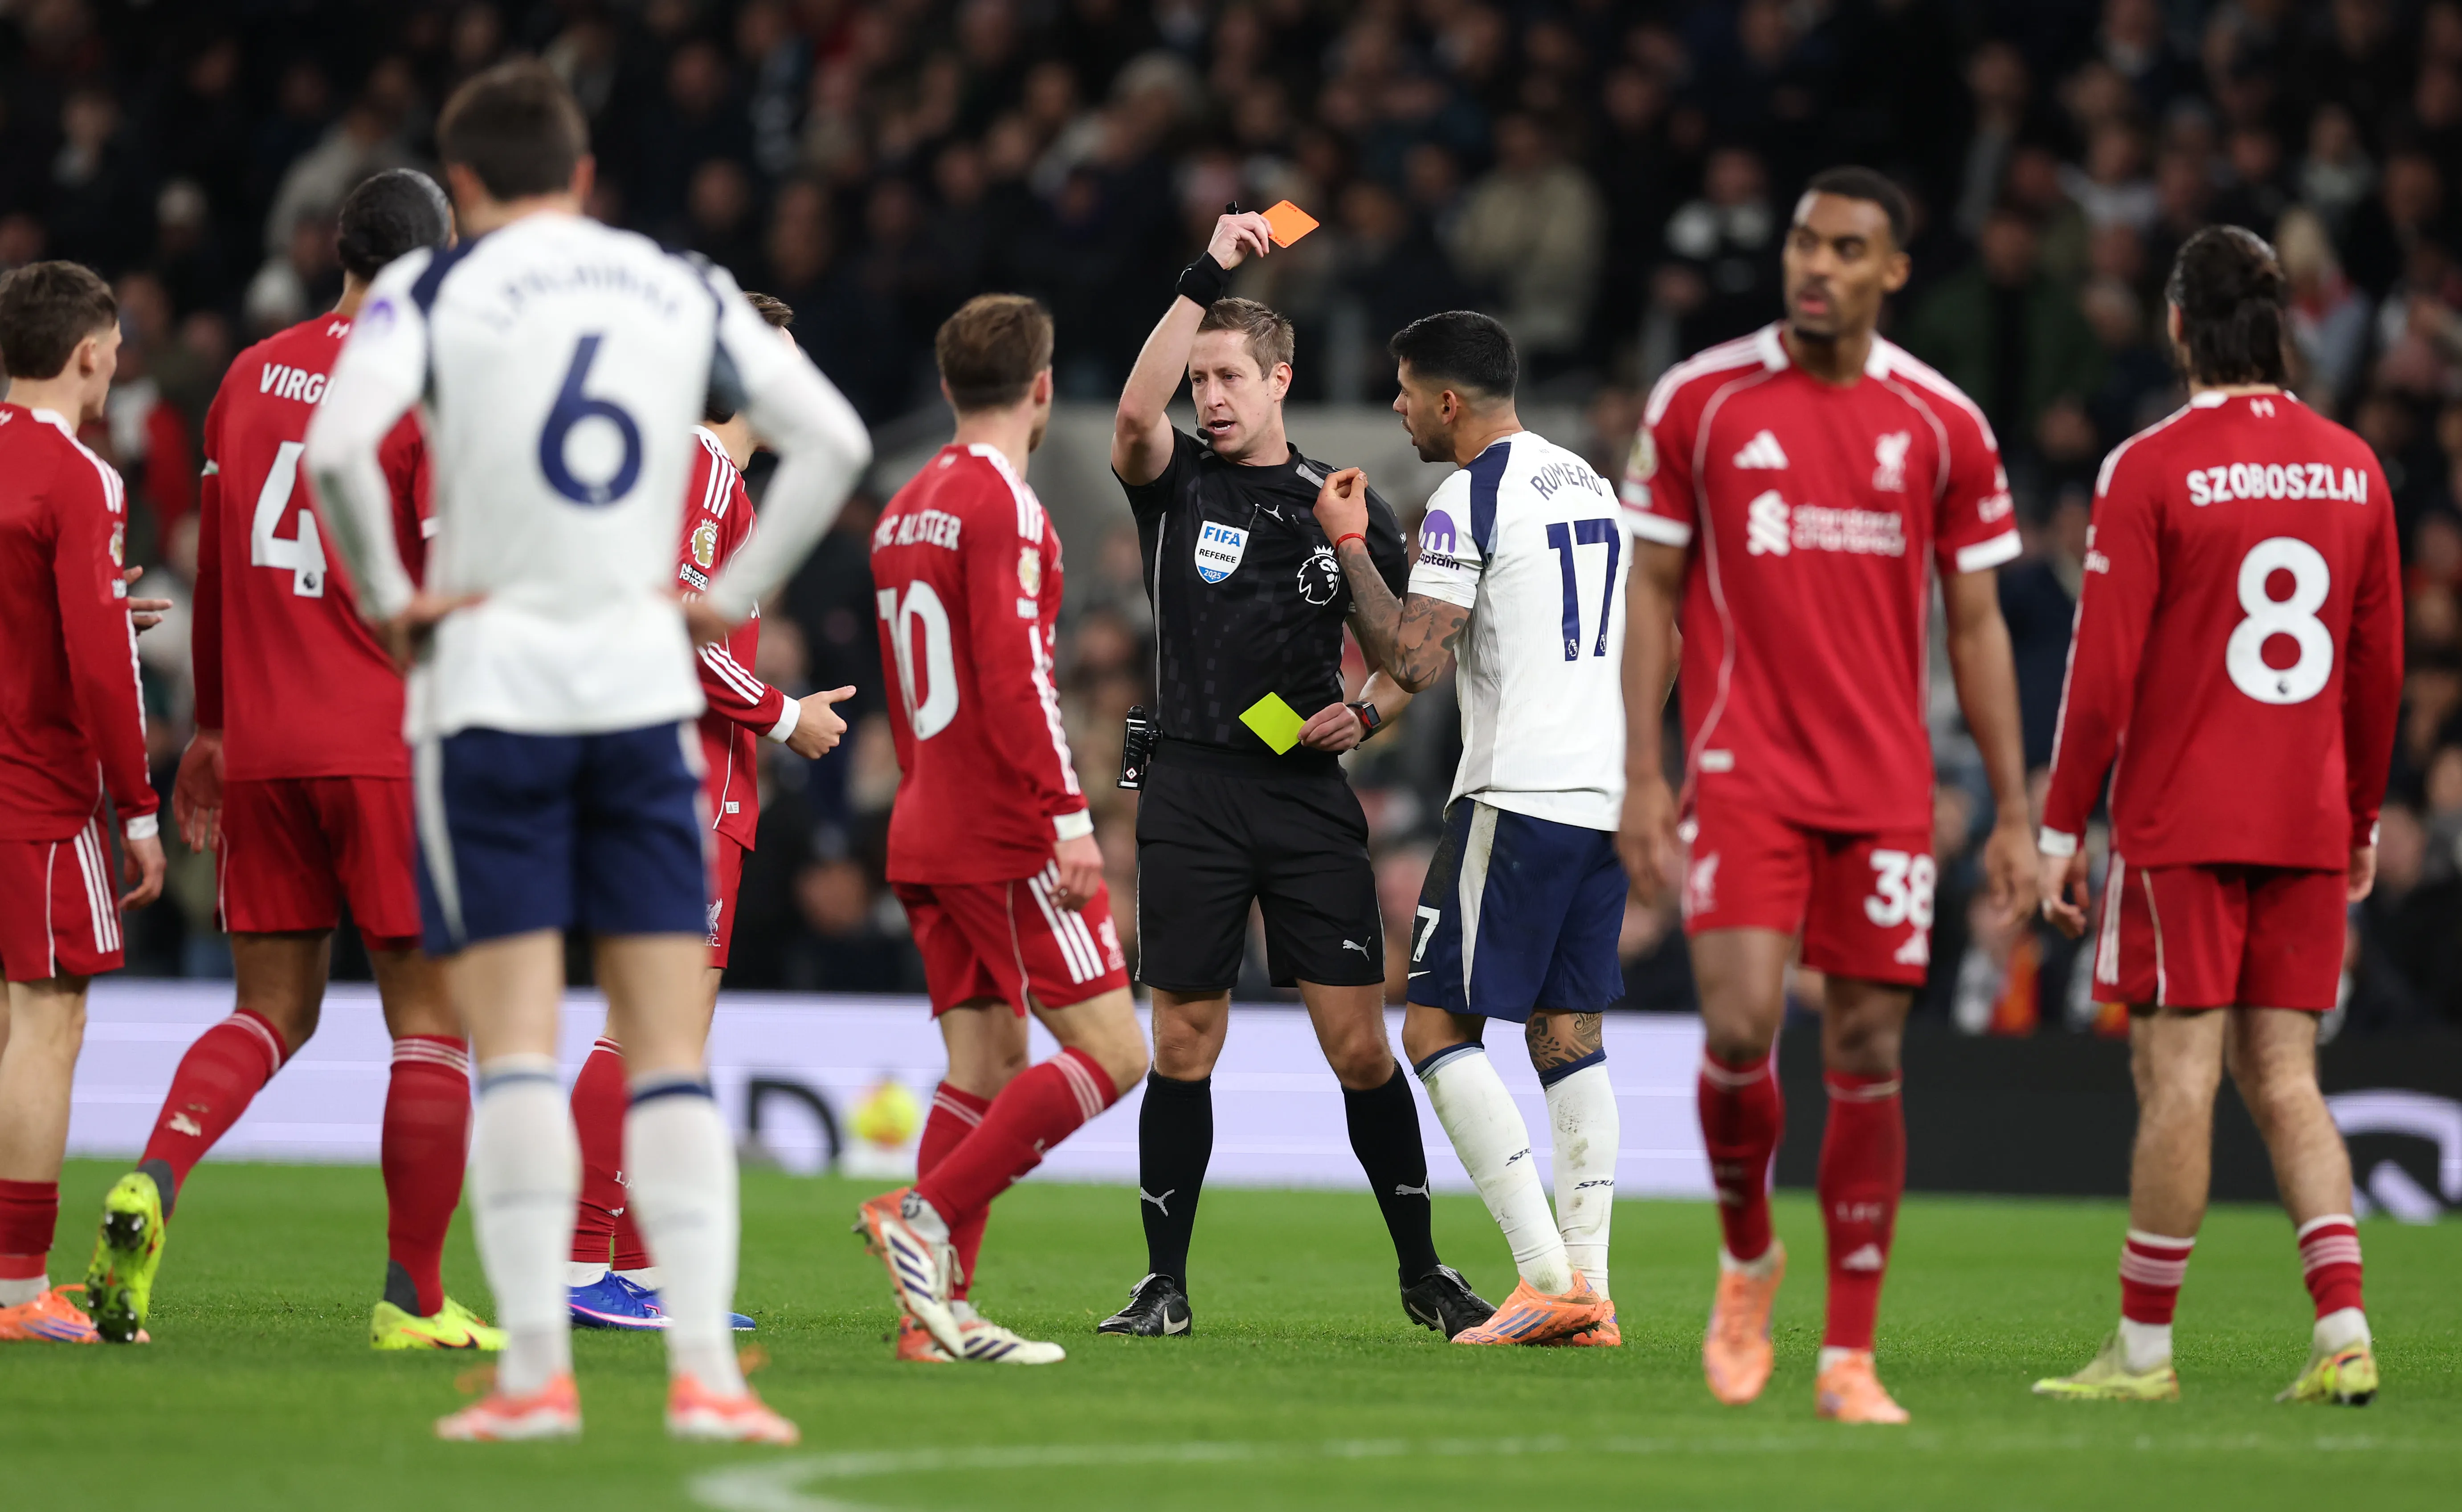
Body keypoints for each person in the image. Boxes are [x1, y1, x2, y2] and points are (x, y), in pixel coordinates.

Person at [303, 61, 869, 1443]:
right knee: (669, 1049)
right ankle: (706, 1382)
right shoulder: (668, 284)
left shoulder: (432, 292)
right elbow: (836, 438)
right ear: (586, 178)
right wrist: (725, 604)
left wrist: (397, 604)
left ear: (472, 186)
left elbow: (333, 454)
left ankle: (533, 1377)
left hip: (489, 700)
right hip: (633, 706)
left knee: (509, 1047)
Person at [1618, 166, 2038, 1423]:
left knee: (1864, 1050)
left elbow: (1974, 627)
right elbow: (1650, 591)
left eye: (1846, 248)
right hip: (1743, 771)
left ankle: (1848, 1354)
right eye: (1804, 241)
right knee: (1740, 1027)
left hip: (1883, 787)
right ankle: (1747, 1254)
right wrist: (1642, 769)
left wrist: (2014, 808)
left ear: (1889, 272)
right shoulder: (1699, 399)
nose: (1815, 265)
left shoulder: (1943, 424)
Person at [78, 170, 494, 1353]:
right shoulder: (427, 392)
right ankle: (413, 1297)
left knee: (269, 1009)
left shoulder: (250, 375)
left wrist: (208, 729)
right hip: (386, 744)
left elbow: (211, 570)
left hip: (261, 743)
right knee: (431, 1021)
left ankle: (154, 1179)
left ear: (340, 254)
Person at [1097, 210, 1491, 1341]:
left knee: (1361, 1044)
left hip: (1304, 801)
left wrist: (1366, 711)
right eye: (1201, 375)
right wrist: (1204, 272)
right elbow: (1133, 412)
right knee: (1184, 1040)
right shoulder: (1173, 482)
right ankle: (1162, 1283)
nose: (1208, 395)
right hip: (1189, 789)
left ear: (1280, 378)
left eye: (1230, 376)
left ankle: (1423, 1270)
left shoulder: (1338, 501)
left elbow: (1418, 651)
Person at [2030, 226, 2401, 1409]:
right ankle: (2341, 1332)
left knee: (2177, 1075)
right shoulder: (2354, 465)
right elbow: (2375, 668)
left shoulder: (2148, 465)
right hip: (2300, 815)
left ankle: (2141, 1353)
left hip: (2181, 815)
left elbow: (2100, 670)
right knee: (2284, 1075)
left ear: (2176, 323)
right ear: (2279, 323)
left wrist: (2056, 825)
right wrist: (2355, 816)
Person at [1314, 310, 1626, 1348]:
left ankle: (1542, 1279)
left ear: (1449, 400)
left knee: (1435, 1028)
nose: (1397, 409)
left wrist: (1352, 547)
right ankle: (1592, 1286)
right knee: (1568, 1040)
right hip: (1599, 796)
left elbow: (1419, 657)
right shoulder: (1587, 481)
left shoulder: (1469, 494)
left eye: (1404, 392)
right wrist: (1364, 716)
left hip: (1517, 792)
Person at [855, 293, 1151, 1365]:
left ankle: (932, 1319)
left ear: (945, 387)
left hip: (924, 816)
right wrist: (1071, 819)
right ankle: (922, 1215)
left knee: (983, 1061)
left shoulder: (904, 506)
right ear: (1042, 389)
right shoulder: (1007, 508)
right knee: (1118, 1052)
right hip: (1006, 827)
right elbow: (1016, 671)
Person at [563, 290, 850, 1333]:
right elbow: (671, 631)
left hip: (707, 787)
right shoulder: (694, 466)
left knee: (673, 1034)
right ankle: (573, 1255)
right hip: (677, 786)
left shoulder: (713, 475)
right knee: (642, 1027)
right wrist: (783, 714)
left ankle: (638, 1271)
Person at [0, 261, 167, 1345]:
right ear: (90, 353)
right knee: (45, 1025)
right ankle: (18, 1290)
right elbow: (99, 670)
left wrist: (100, 611)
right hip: (38, 789)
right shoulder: (81, 477)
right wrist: (138, 810)